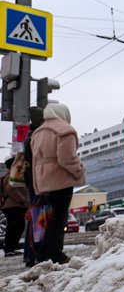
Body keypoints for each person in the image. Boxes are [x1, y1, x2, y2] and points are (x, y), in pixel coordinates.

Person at [30, 103, 85, 264]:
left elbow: (34, 162)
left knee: (46, 220)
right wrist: (79, 170)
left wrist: (37, 185)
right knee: (59, 219)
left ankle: (42, 254)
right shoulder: (64, 130)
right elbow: (67, 159)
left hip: (43, 181)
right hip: (60, 180)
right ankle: (55, 254)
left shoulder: (38, 132)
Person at [23, 106, 44, 267]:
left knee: (34, 217)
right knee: (37, 217)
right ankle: (35, 253)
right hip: (36, 178)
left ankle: (30, 254)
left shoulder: (30, 135)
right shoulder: (35, 135)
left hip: (31, 178)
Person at [1, 157, 30, 256]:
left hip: (10, 206)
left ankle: (11, 248)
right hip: (13, 206)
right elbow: (11, 189)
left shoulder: (9, 175)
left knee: (16, 226)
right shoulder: (12, 176)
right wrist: (23, 200)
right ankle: (9, 249)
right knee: (15, 227)